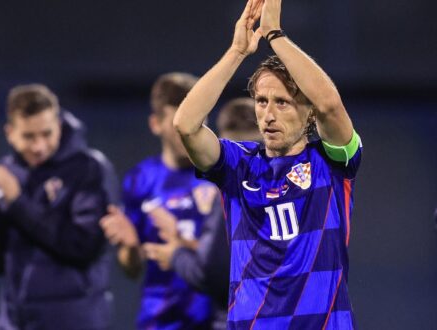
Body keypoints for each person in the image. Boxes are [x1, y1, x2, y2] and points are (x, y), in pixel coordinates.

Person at [173, 0, 362, 328]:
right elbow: (186, 125)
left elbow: (331, 105)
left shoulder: (332, 162)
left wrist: (275, 34)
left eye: (283, 103)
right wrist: (236, 52)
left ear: (309, 113)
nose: (269, 114)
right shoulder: (237, 164)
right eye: (262, 101)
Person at [0, 84, 118, 330]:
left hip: (73, 322)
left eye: (47, 134)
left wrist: (18, 203)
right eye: (29, 137)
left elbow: (84, 247)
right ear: (10, 133)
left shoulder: (89, 169)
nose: (39, 146)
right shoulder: (3, 174)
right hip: (14, 321)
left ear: (59, 127)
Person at [99, 73, 218, 329]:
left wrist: (180, 248)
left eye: (198, 119)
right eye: (180, 124)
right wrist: (131, 248)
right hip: (159, 319)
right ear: (156, 124)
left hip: (218, 317)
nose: (189, 130)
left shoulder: (225, 174)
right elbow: (132, 269)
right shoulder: (140, 179)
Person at [142, 97, 261, 330]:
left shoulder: (233, 182)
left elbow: (215, 274)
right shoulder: (293, 182)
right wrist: (183, 242)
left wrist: (176, 254)